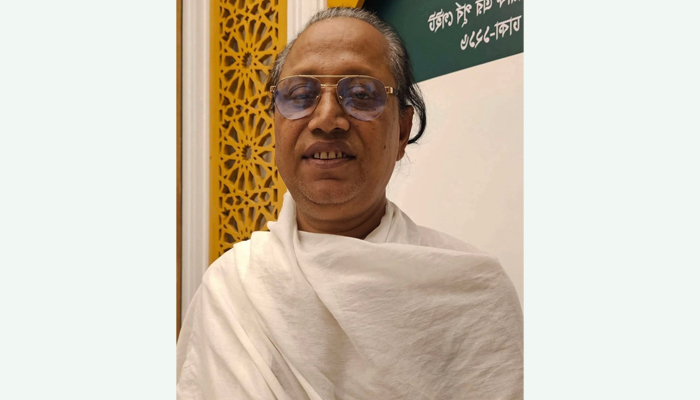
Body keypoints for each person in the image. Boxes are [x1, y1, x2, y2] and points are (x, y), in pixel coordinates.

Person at [177, 7, 523, 400]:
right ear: (275, 125)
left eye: (360, 95)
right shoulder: (231, 289)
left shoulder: (470, 291)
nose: (327, 119)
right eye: (300, 95)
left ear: (402, 131)